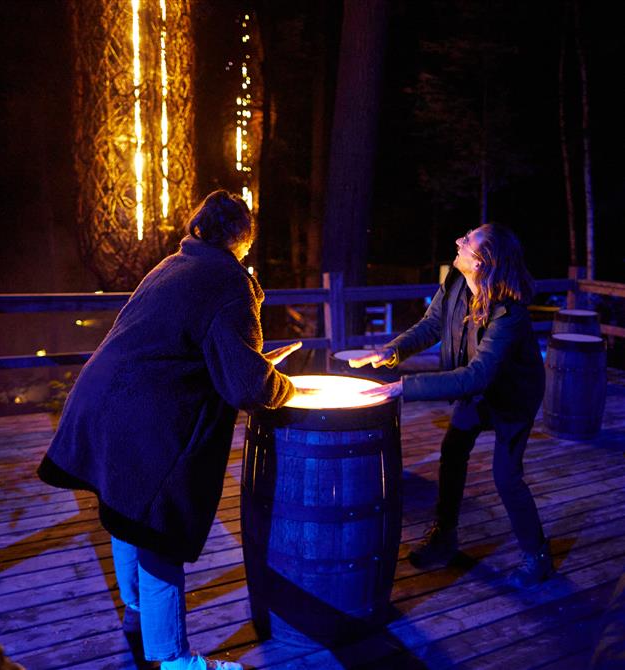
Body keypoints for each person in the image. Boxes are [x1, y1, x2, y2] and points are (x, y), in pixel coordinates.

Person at [38, 190, 302, 669]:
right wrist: (281, 386)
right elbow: (246, 387)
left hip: (104, 404)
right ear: (241, 239)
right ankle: (176, 661)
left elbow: (195, 346)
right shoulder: (228, 280)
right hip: (145, 420)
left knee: (125, 511)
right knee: (157, 528)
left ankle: (138, 616)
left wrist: (252, 366)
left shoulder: (173, 264)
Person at [350, 224, 553, 589]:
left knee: (506, 477)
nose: (458, 240)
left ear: (483, 261)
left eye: (468, 240)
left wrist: (403, 388)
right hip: (476, 391)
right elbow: (431, 326)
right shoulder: (456, 284)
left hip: (512, 397)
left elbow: (477, 376)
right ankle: (445, 537)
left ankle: (537, 556)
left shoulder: (510, 314)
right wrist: (392, 351)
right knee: (453, 450)